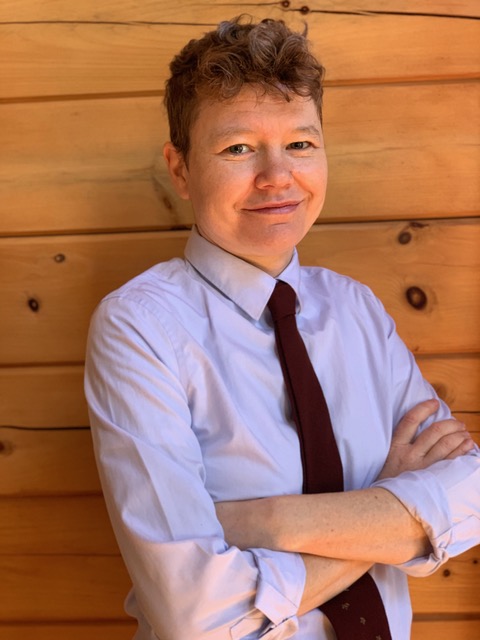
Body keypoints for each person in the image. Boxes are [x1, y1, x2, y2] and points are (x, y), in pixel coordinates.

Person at [84, 16, 480, 640]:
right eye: (238, 148)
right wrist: (392, 511)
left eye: (300, 144)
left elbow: (471, 491)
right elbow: (200, 618)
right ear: (180, 169)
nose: (277, 176)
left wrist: (258, 522)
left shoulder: (357, 309)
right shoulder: (140, 326)